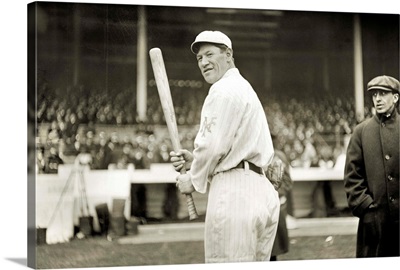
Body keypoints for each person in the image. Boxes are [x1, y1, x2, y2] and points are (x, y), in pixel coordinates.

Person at [169, 30, 281, 263]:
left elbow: (210, 147)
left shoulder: (221, 89)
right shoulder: (245, 88)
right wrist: (197, 162)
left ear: (228, 54)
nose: (204, 62)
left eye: (210, 54)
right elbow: (231, 148)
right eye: (199, 58)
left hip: (235, 195)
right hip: (262, 191)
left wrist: (193, 177)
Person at [344, 75, 399, 257]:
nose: (378, 99)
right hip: (375, 224)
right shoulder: (361, 132)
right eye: (375, 94)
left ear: (396, 97)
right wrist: (367, 209)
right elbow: (352, 177)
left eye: (383, 94)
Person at [270, 140, 293, 261]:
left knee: (272, 251)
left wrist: (273, 194)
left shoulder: (277, 156)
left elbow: (287, 182)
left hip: (274, 205)